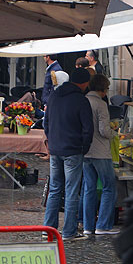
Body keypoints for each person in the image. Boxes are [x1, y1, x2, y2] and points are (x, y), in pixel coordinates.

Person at [43, 68, 94, 241]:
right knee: (71, 191)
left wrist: (51, 141)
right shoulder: (81, 100)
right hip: (73, 150)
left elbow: (46, 122)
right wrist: (84, 147)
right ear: (84, 83)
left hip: (56, 148)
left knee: (55, 189)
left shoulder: (54, 96)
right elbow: (88, 128)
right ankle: (69, 231)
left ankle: (48, 229)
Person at [82, 75, 118, 235]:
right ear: (103, 89)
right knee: (109, 187)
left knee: (89, 188)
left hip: (85, 150)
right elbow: (104, 130)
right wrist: (114, 133)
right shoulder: (101, 104)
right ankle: (103, 225)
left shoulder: (83, 101)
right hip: (101, 152)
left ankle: (88, 226)